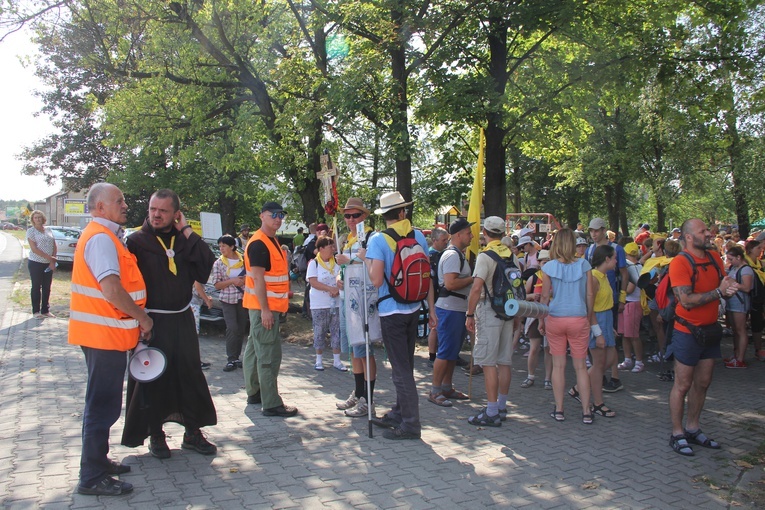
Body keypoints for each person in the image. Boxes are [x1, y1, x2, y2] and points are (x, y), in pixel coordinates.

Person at [69, 183, 152, 496]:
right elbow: (112, 289)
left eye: (124, 199)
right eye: (118, 200)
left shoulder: (105, 236)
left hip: (106, 335)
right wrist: (143, 317)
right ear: (99, 207)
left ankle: (99, 462)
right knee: (102, 406)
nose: (125, 204)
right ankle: (91, 476)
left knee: (103, 404)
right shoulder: (102, 239)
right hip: (102, 335)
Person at [121, 189, 218, 458]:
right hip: (152, 322)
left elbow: (205, 265)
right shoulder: (137, 242)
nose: (156, 215)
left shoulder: (183, 240)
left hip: (182, 318)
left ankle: (192, 433)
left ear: (176, 214)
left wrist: (186, 229)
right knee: (153, 379)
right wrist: (139, 321)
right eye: (153, 209)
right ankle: (156, 435)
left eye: (163, 211)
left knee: (189, 375)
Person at [367, 191, 436, 440]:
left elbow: (375, 281)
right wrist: (432, 310)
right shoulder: (417, 235)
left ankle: (410, 424)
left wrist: (366, 261)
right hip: (414, 308)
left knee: (400, 370)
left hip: (391, 310)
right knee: (405, 364)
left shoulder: (378, 240)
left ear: (384, 215)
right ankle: (399, 411)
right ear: (402, 212)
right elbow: (427, 274)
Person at [667, 219, 738, 456]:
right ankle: (677, 433)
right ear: (689, 237)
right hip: (687, 331)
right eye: (703, 231)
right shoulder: (680, 263)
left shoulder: (714, 258)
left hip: (710, 330)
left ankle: (693, 428)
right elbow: (685, 301)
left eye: (708, 230)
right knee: (683, 384)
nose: (709, 234)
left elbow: (723, 282)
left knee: (703, 382)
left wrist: (728, 286)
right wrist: (718, 292)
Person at [242, 202, 298, 417]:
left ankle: (255, 392)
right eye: (273, 214)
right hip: (263, 309)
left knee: (255, 351)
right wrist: (265, 310)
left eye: (281, 215)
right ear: (262, 216)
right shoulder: (259, 244)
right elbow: (257, 278)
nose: (278, 218)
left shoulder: (270, 240)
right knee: (268, 354)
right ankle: (271, 403)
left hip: (263, 308)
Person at [537, 228, 595, 424]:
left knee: (558, 366)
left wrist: (541, 320)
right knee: (580, 367)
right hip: (578, 317)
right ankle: (586, 411)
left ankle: (559, 409)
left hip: (556, 317)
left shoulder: (549, 267)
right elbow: (589, 295)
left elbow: (545, 297)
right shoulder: (584, 264)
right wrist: (587, 316)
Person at [464, 216, 515, 427]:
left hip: (488, 310)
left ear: (485, 232)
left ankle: (491, 411)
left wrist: (469, 314)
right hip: (507, 310)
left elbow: (476, 288)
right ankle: (501, 406)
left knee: (487, 363)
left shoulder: (486, 257)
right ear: (502, 233)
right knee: (504, 361)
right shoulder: (511, 254)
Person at [334, 197, 378, 417]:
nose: (351, 219)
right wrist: (338, 278)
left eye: (355, 215)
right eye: (347, 215)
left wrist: (348, 262)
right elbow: (342, 268)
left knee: (364, 350)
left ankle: (368, 400)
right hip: (345, 299)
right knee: (353, 350)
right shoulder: (346, 239)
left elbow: (372, 266)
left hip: (362, 301)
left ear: (364, 216)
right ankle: (359, 392)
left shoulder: (371, 237)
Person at [428, 218, 473, 408]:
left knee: (452, 352)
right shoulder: (452, 256)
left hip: (457, 308)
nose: (471, 236)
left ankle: (446, 387)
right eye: (469, 233)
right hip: (449, 309)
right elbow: (450, 283)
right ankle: (435, 390)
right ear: (458, 235)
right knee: (445, 352)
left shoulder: (458, 255)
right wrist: (474, 278)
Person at [569, 245, 618, 419]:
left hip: (606, 319)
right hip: (597, 320)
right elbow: (590, 307)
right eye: (614, 258)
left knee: (611, 359)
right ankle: (597, 403)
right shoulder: (595, 278)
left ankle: (577, 388)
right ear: (606, 259)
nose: (616, 261)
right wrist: (597, 330)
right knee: (598, 365)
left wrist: (608, 326)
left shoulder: (603, 276)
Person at [586, 218, 628, 393]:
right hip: (597, 302)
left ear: (604, 230)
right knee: (600, 345)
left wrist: (622, 298)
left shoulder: (616, 249)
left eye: (597, 231)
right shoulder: (590, 250)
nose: (594, 234)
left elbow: (624, 274)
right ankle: (598, 376)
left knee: (610, 344)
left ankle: (614, 376)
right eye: (591, 231)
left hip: (610, 299)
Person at [307, 236, 346, 371]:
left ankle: (337, 360)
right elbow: (313, 281)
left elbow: (341, 275)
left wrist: (338, 285)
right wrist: (329, 288)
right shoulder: (314, 263)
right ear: (321, 248)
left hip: (336, 303)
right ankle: (319, 360)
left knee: (337, 330)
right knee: (320, 331)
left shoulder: (335, 262)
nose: (333, 249)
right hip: (319, 303)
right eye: (331, 246)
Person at [212, 235, 248, 372]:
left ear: (232, 246)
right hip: (227, 299)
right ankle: (230, 358)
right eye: (220, 246)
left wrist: (244, 279)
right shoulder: (218, 263)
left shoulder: (243, 260)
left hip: (242, 298)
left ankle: (236, 357)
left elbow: (251, 276)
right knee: (232, 327)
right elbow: (217, 284)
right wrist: (233, 281)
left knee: (240, 328)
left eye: (224, 246)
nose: (221, 249)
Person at [520, 249, 553, 390]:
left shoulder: (555, 277)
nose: (546, 264)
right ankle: (530, 376)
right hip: (535, 317)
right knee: (534, 348)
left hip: (551, 316)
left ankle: (548, 379)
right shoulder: (533, 278)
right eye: (544, 262)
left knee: (548, 349)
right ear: (539, 263)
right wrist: (533, 296)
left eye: (549, 262)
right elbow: (522, 297)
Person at [617, 242, 645, 373]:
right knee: (624, 333)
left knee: (633, 335)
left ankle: (639, 360)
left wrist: (619, 291)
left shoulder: (632, 268)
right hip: (626, 303)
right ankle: (628, 359)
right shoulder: (639, 266)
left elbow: (631, 287)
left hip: (632, 303)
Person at [723, 245, 753, 368]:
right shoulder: (734, 268)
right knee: (735, 330)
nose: (729, 261)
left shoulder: (746, 270)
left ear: (738, 257)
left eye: (731, 259)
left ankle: (740, 358)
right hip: (732, 302)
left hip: (740, 303)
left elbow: (746, 288)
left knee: (741, 330)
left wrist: (733, 283)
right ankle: (736, 354)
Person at [26, 210, 58, 318]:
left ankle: (45, 310)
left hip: (48, 264)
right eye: (35, 218)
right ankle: (36, 311)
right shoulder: (31, 231)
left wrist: (52, 260)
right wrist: (49, 257)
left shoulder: (48, 230)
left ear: (43, 218)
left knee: (47, 287)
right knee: (36, 286)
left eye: (39, 217)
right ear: (33, 219)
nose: (38, 219)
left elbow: (54, 244)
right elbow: (34, 248)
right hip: (35, 263)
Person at [427, 227, 450, 366]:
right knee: (435, 326)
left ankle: (444, 352)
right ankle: (432, 356)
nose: (446, 243)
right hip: (434, 294)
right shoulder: (430, 255)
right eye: (443, 240)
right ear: (434, 240)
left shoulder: (444, 253)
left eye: (447, 240)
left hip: (442, 293)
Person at [190, 281, 213, 369]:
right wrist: (206, 299)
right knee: (193, 334)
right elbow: (197, 286)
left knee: (192, 334)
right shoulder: (196, 268)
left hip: (192, 303)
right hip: (193, 304)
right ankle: (195, 362)